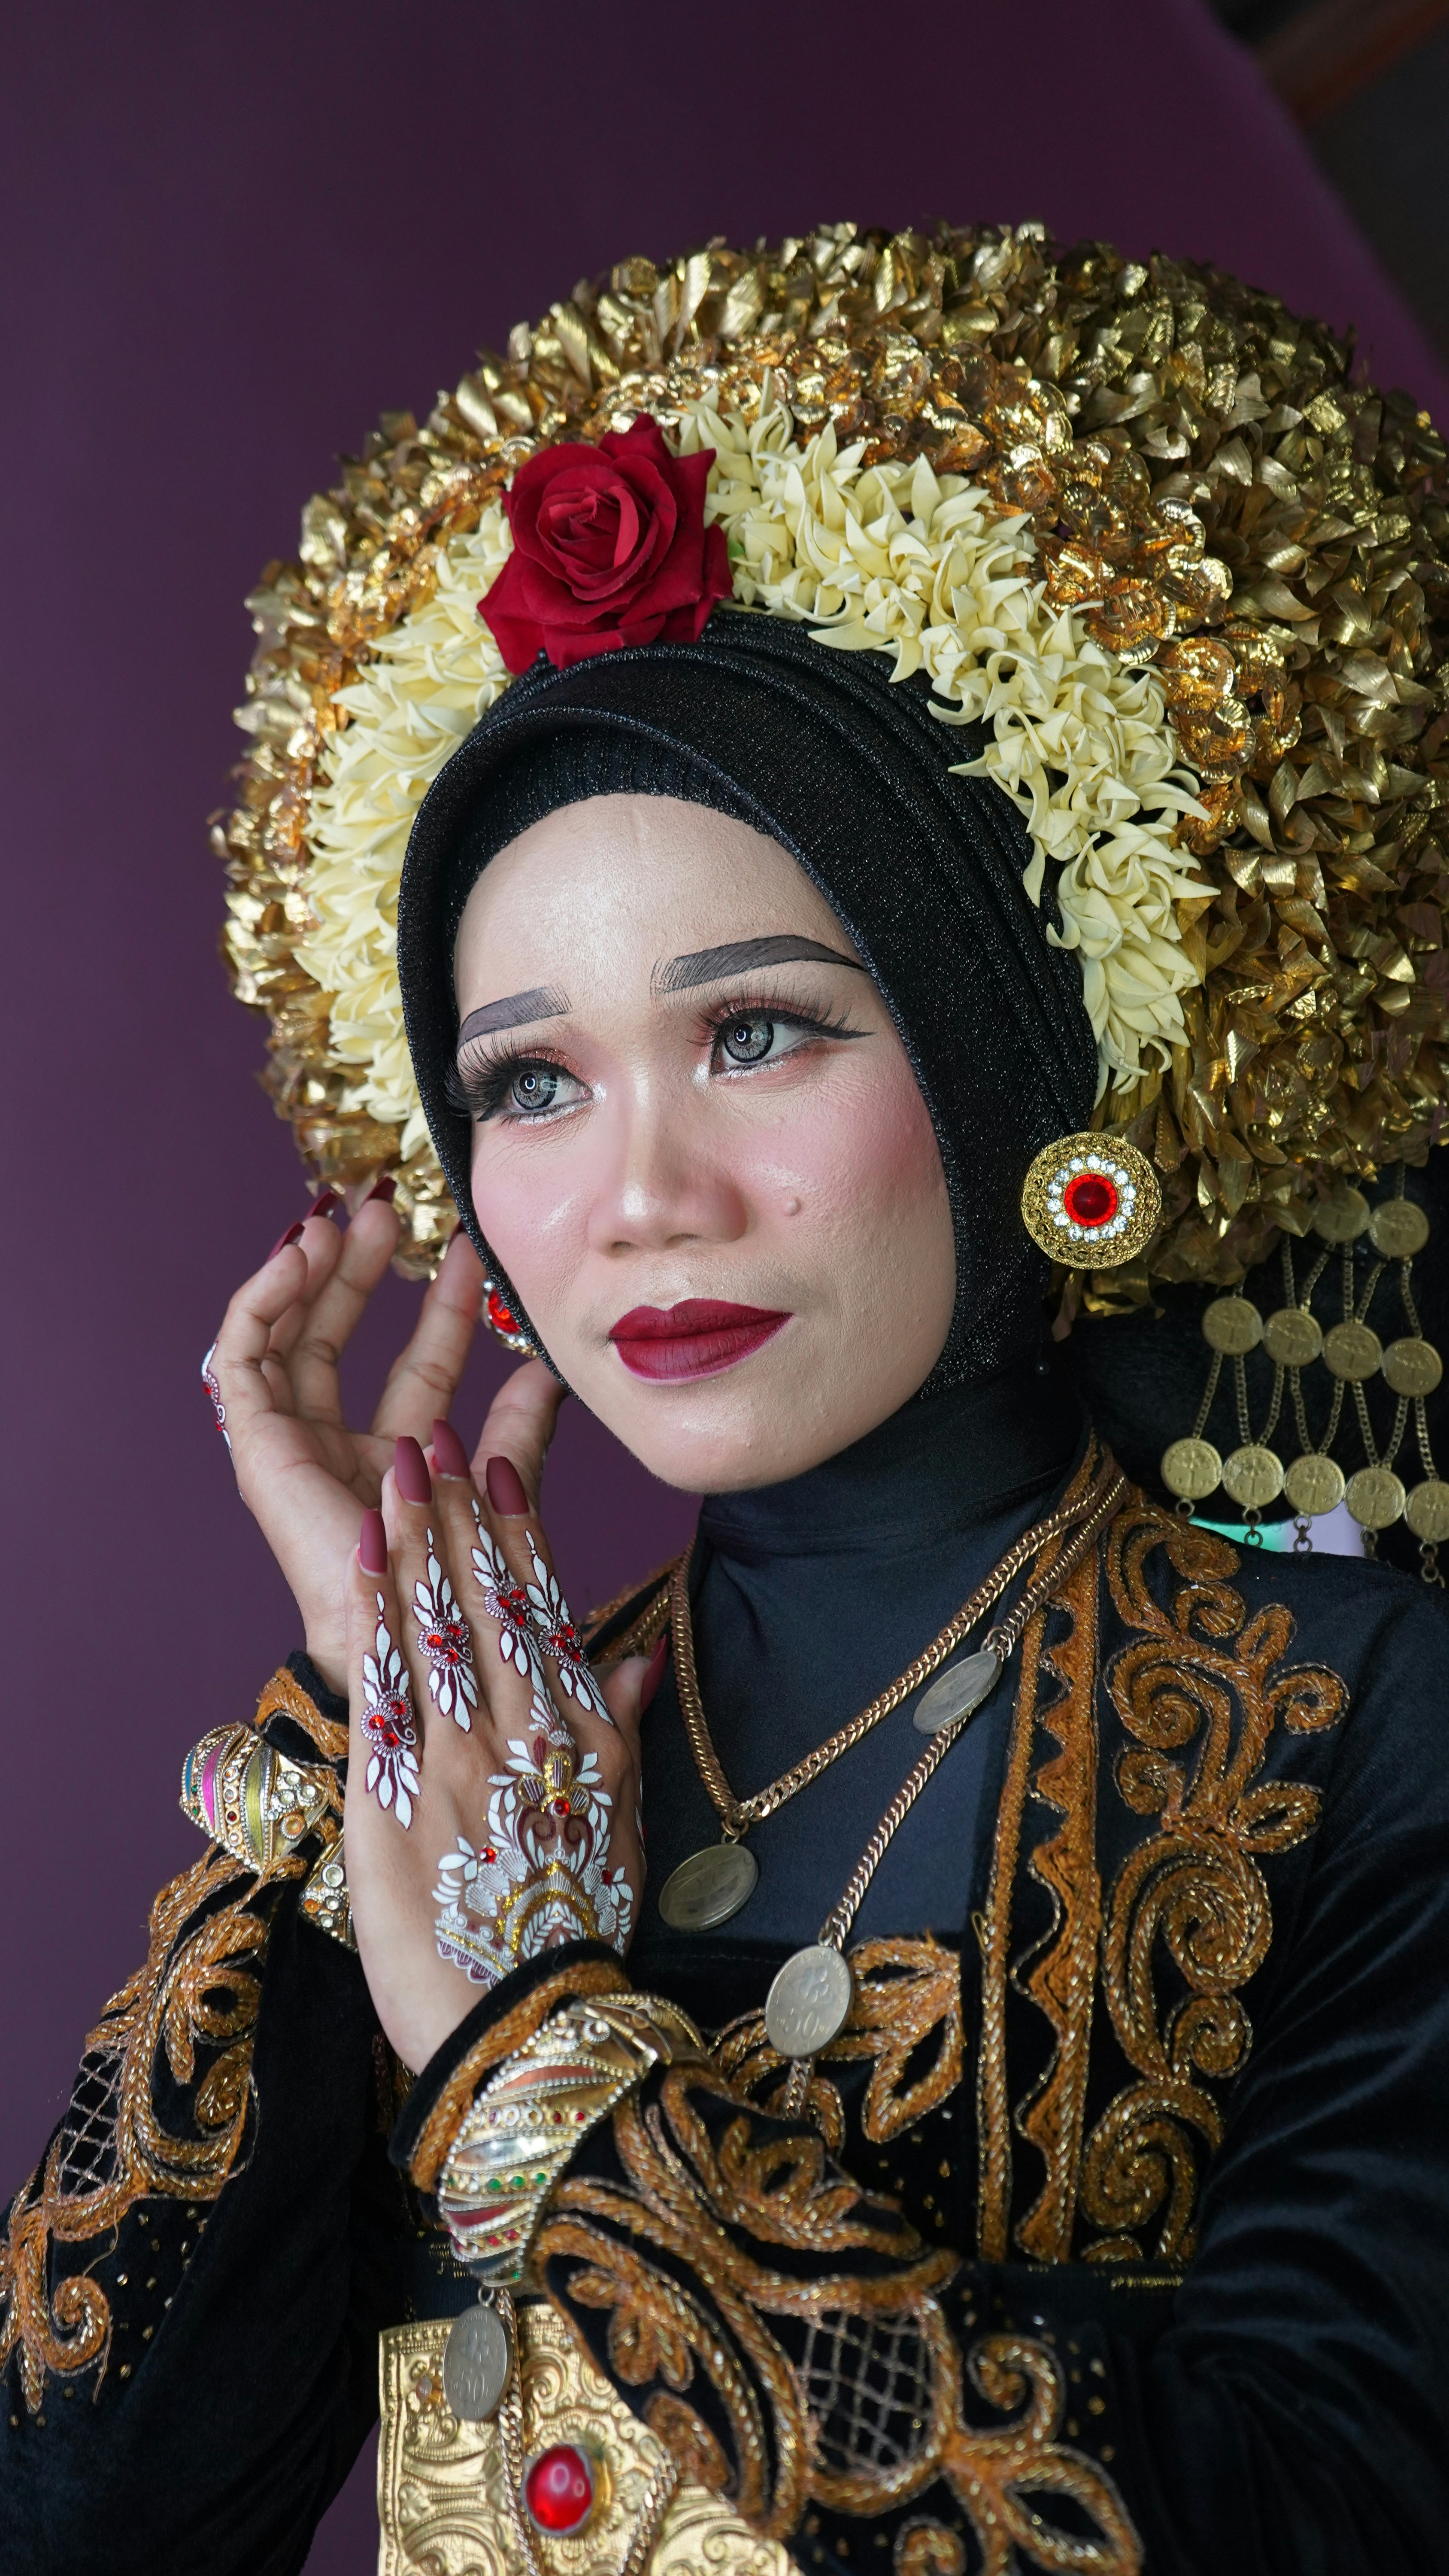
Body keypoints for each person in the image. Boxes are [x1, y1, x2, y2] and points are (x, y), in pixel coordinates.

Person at [3, 222, 1448, 2576]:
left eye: (757, 1030)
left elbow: (1297, 2526)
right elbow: (82, 2514)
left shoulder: (1349, 1724)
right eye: (535, 1086)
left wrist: (541, 2068)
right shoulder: (487, 1765)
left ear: (1006, 1066)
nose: (641, 1197)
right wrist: (352, 1726)